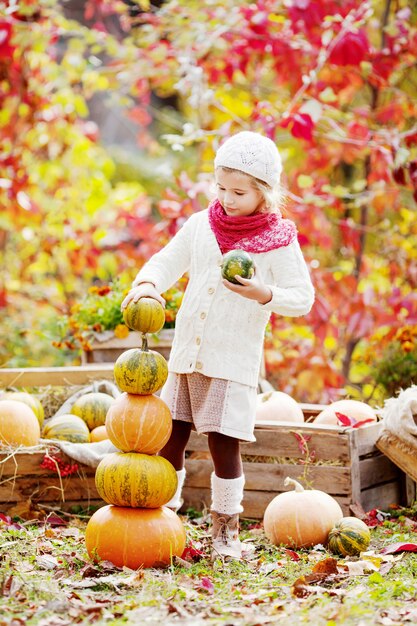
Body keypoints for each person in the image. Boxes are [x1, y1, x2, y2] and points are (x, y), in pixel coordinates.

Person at [121, 131, 315, 560]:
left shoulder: (278, 239)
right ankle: (162, 517)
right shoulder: (200, 225)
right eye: (221, 187)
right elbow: (166, 261)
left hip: (231, 360)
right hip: (187, 357)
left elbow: (302, 297)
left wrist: (263, 293)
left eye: (239, 191)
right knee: (170, 438)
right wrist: (149, 284)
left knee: (223, 444)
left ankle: (225, 530)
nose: (227, 198)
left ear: (264, 192)